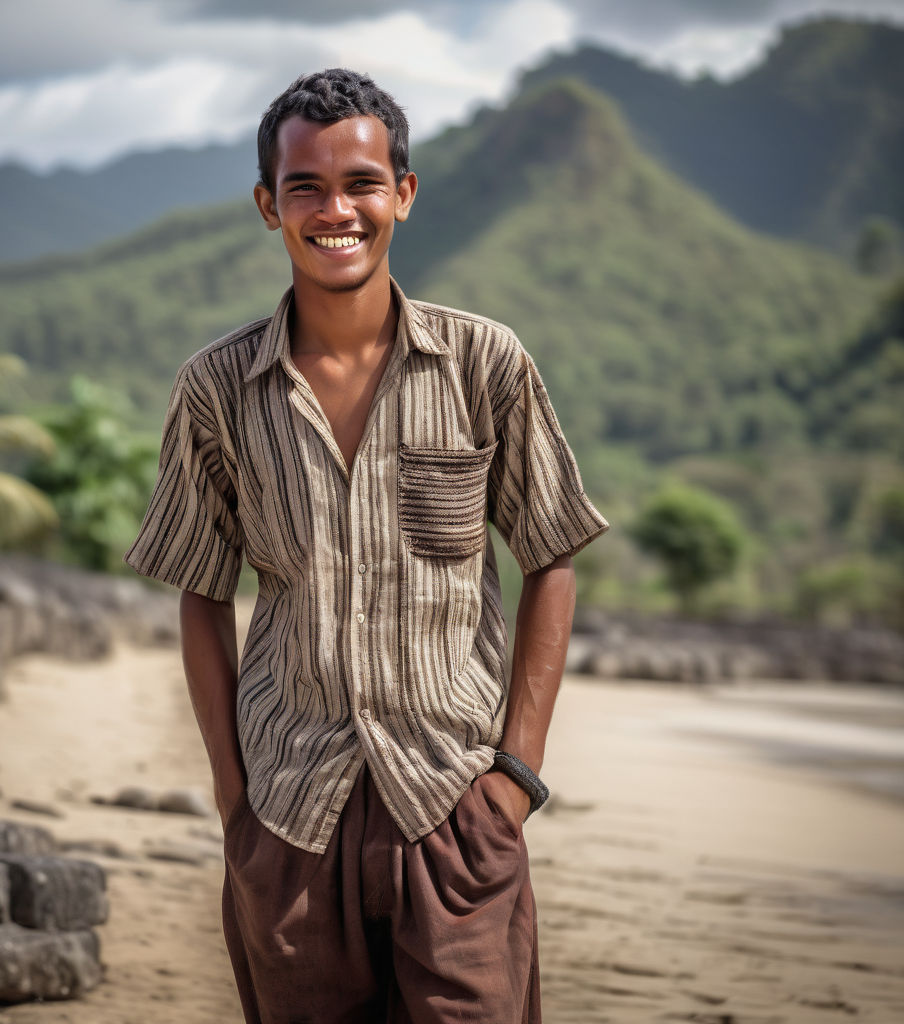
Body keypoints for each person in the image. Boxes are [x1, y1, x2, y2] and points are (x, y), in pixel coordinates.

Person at [125, 67, 609, 1024]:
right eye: (304, 186)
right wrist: (235, 798)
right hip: (290, 811)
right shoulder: (218, 389)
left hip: (455, 804)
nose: (334, 209)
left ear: (404, 195)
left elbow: (551, 556)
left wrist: (512, 778)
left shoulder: (484, 364)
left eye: (361, 183)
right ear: (269, 206)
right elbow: (198, 588)